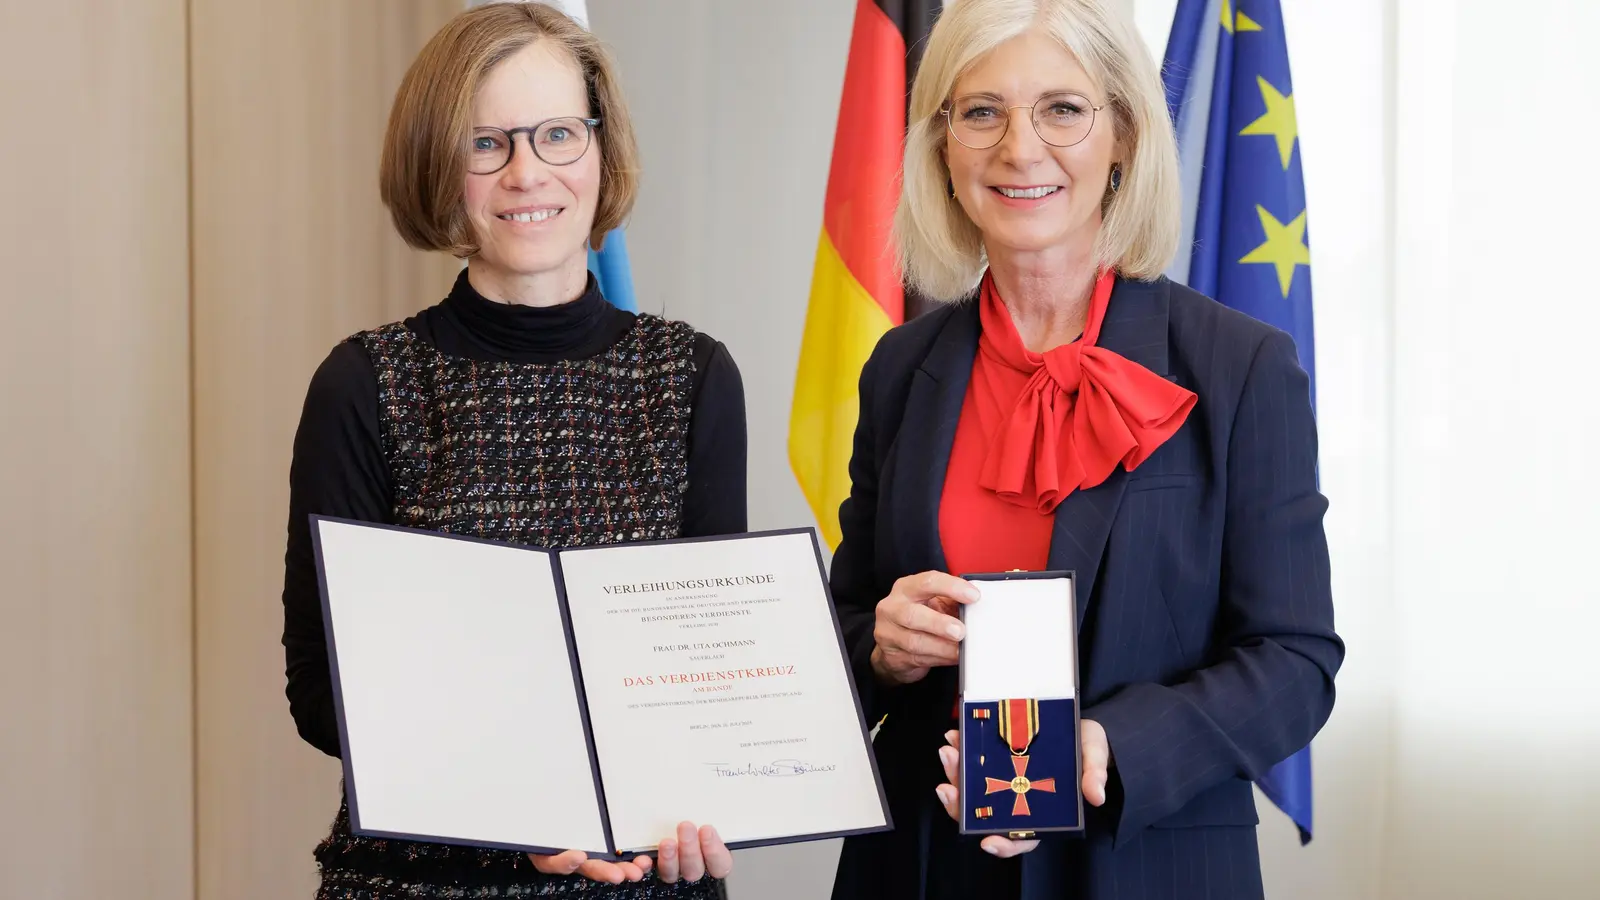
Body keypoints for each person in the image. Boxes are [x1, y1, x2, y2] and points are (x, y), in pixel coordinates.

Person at [826, 1, 1343, 898]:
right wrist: (882, 644)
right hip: (917, 868)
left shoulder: (1240, 367)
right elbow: (839, 632)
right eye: (980, 111)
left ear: (1125, 139)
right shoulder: (900, 368)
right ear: (941, 147)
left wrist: (1112, 747)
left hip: (1146, 863)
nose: (1020, 149)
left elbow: (1296, 661)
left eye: (1062, 109)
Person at [278, 4, 742, 897]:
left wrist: (704, 792)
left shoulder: (694, 376)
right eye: (486, 143)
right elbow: (320, 692)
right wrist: (513, 803)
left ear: (601, 150)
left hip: (642, 875)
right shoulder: (363, 384)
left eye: (559, 134)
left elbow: (706, 678)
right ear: (440, 168)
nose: (528, 172)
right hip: (423, 878)